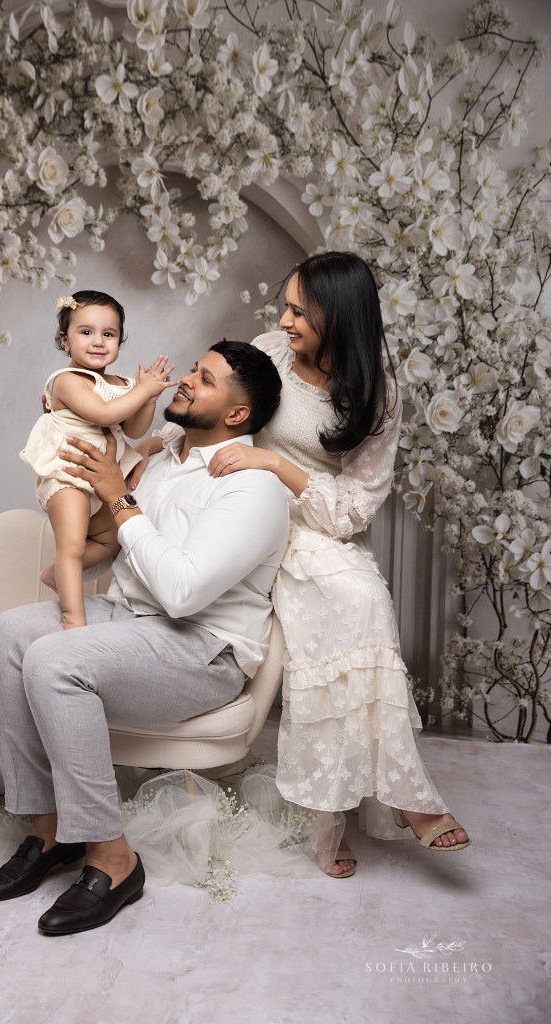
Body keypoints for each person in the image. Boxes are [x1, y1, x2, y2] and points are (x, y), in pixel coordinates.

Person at [134, 252, 470, 878]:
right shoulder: (269, 349)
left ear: (338, 320)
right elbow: (219, 416)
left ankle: (384, 796)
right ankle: (342, 812)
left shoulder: (380, 394)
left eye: (297, 311)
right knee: (339, 606)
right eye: (285, 305)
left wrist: (280, 467)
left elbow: (352, 514)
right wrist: (156, 449)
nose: (281, 320)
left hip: (314, 520)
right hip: (241, 506)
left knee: (359, 599)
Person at [0, 340, 289, 934]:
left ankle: (114, 858)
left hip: (202, 648)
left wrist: (120, 495)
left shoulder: (252, 488)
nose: (186, 382)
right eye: (193, 371)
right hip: (130, 617)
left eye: (205, 379)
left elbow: (182, 592)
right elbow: (116, 547)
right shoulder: (165, 456)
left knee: (52, 661)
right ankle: (49, 834)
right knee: (7, 635)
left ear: (237, 415)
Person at [20, 290, 177, 629]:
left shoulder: (122, 384)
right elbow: (104, 415)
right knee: (73, 545)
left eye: (109, 334)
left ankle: (59, 572)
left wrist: (149, 398)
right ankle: (73, 617)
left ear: (120, 341)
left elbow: (133, 428)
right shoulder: (66, 382)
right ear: (65, 340)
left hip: (103, 478)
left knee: (111, 541)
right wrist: (141, 391)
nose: (98, 341)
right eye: (85, 332)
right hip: (67, 476)